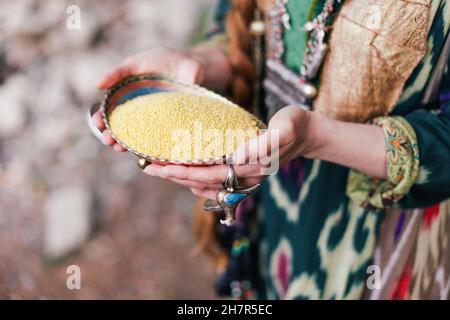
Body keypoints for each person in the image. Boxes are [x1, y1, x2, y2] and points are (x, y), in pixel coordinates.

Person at [91, 0, 450, 299]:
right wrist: (199, 65)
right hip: (267, 207)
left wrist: (316, 137)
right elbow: (252, 29)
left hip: (378, 242)